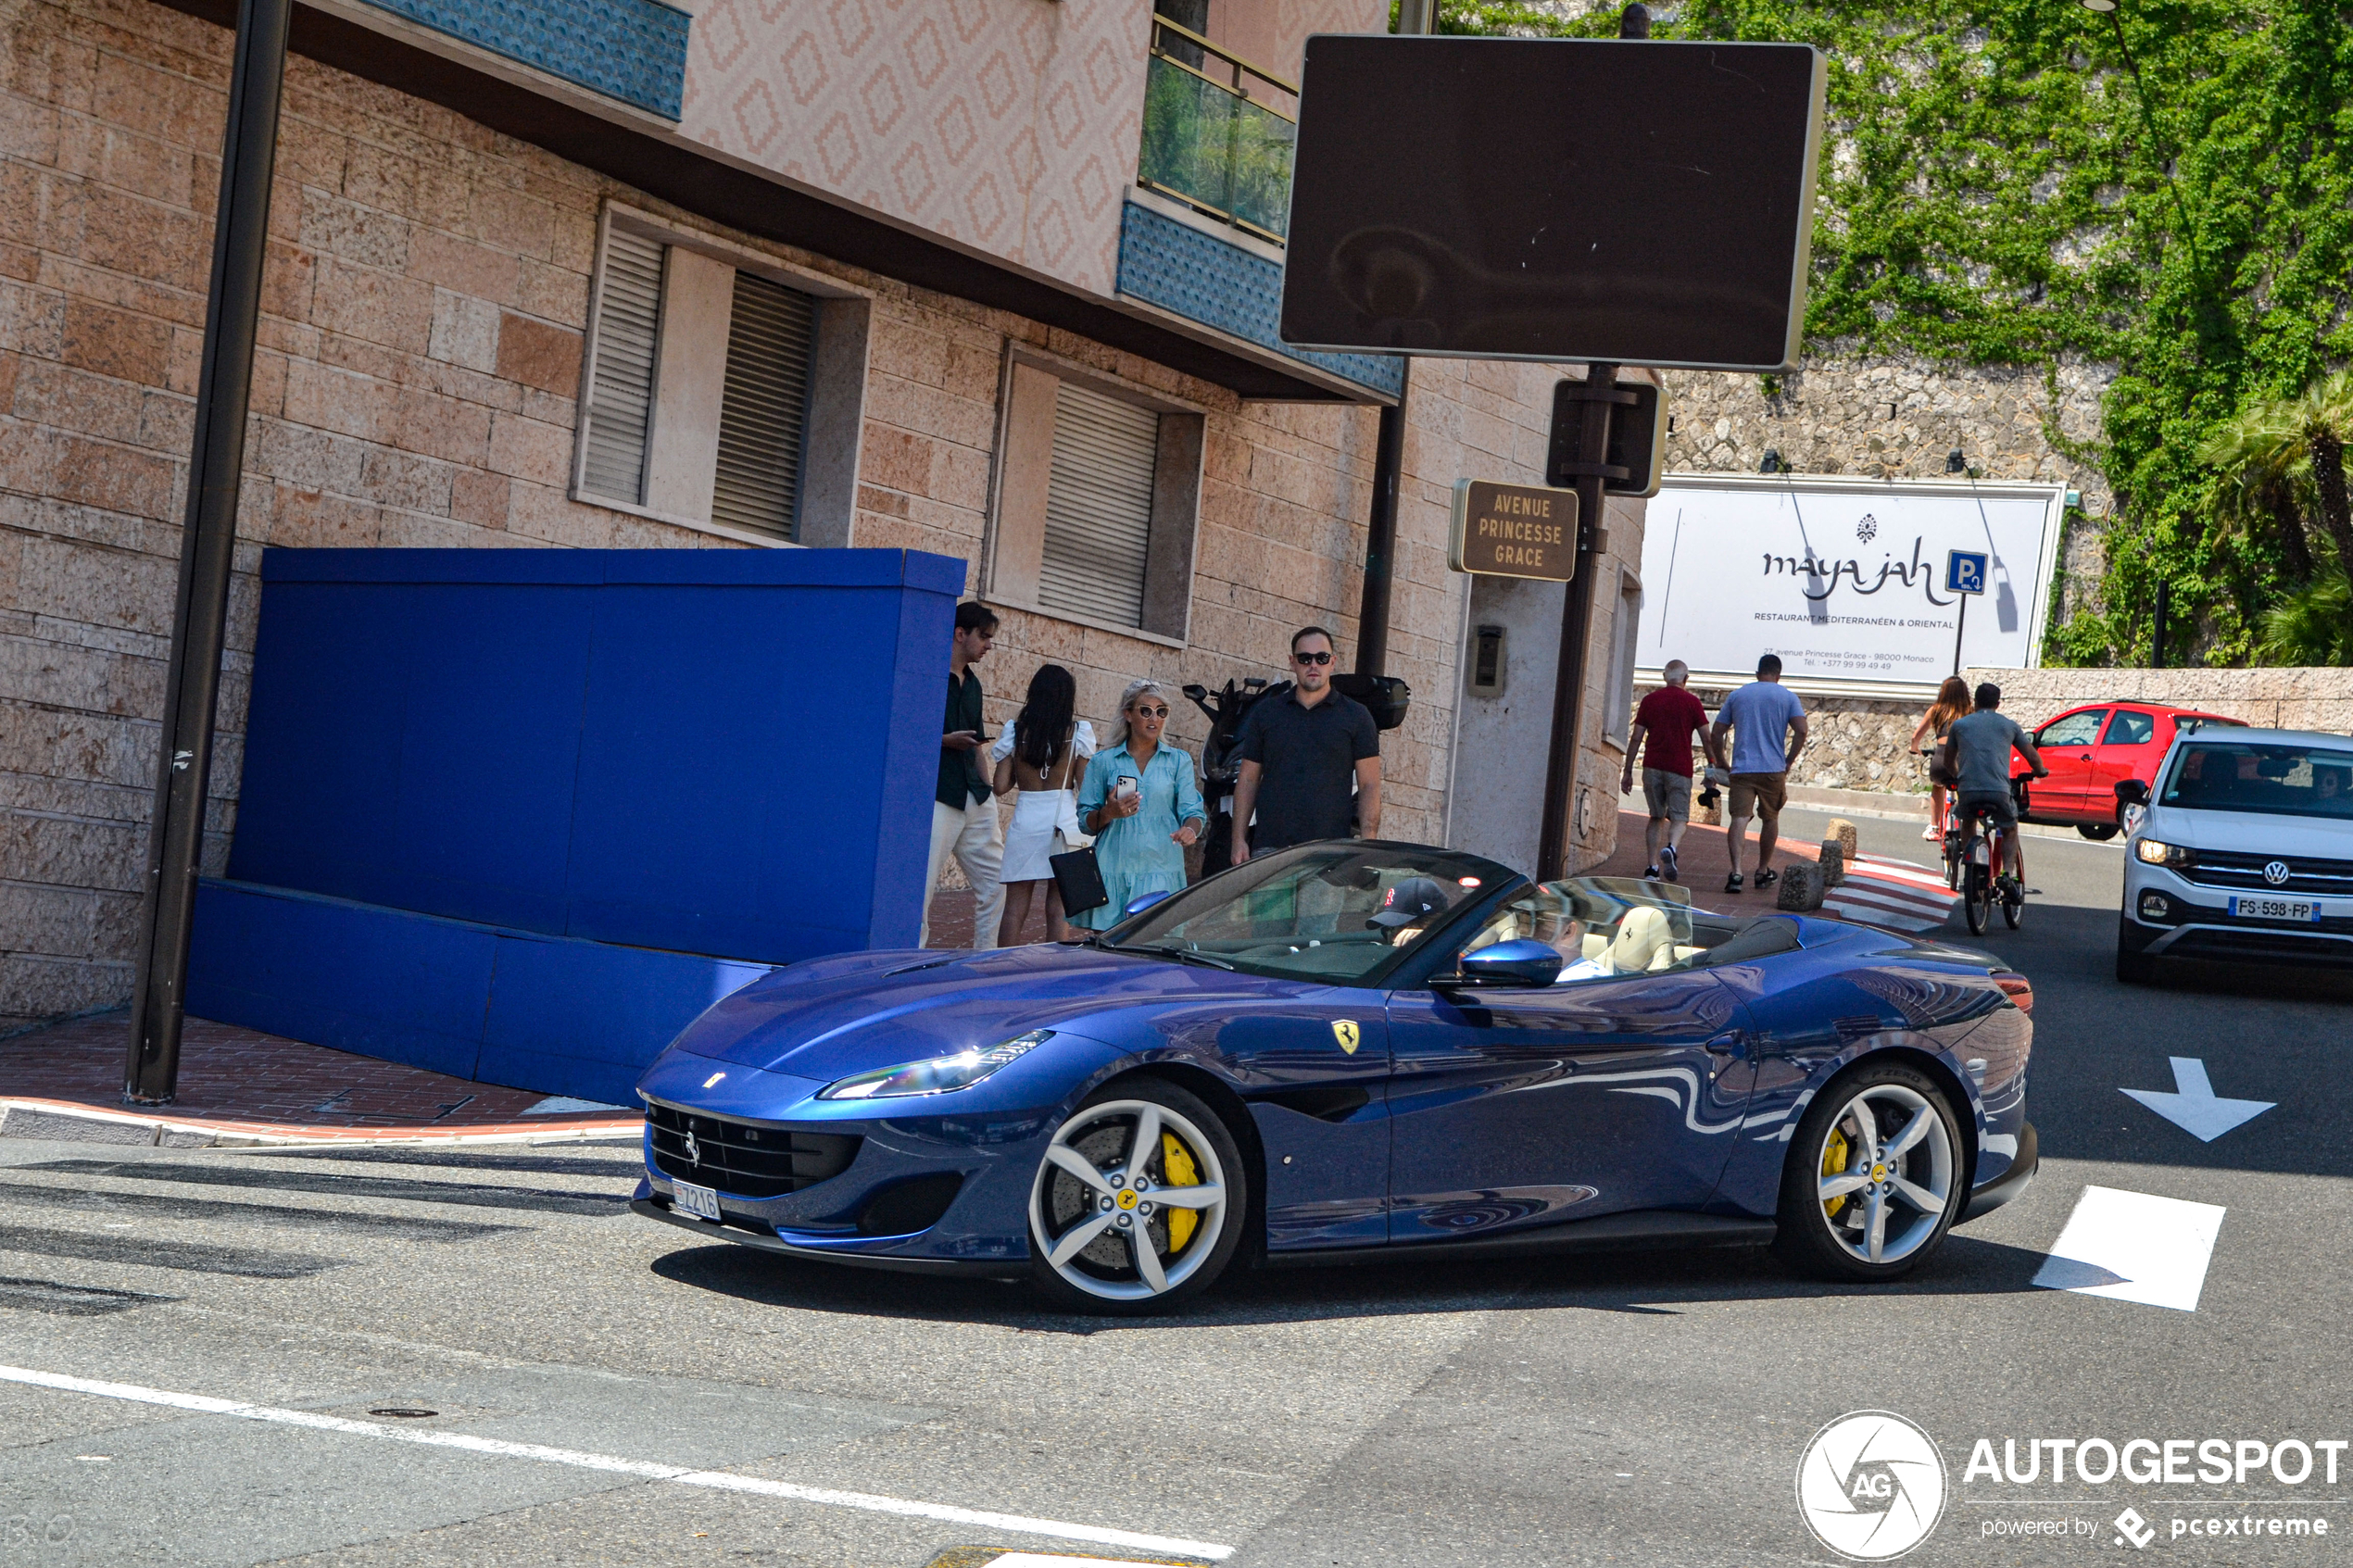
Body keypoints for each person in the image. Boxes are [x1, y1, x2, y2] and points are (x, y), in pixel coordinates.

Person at [1228, 626, 1382, 863]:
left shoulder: (1357, 717)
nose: (1313, 665)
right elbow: (1248, 779)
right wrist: (1238, 839)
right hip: (1270, 849)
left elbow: (1369, 784)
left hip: (1329, 853)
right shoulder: (1267, 713)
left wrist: (1368, 843)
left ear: (1333, 662)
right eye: (1305, 658)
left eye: (1321, 658)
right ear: (1292, 662)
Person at [1073, 680, 1207, 932]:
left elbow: (1193, 811)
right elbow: (1085, 821)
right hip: (1114, 867)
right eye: (1145, 710)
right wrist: (1109, 813)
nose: (1154, 718)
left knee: (1156, 945)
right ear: (1128, 714)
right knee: (1107, 947)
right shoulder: (1104, 761)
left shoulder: (1178, 761)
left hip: (1161, 866)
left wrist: (1190, 830)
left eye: (1161, 711)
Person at [990, 664, 1096, 945]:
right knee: (1058, 903)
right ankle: (1053, 966)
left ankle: (1004, 964)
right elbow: (1085, 787)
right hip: (1063, 820)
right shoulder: (1078, 732)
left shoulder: (1015, 732)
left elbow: (1000, 787)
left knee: (1015, 904)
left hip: (1026, 819)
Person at [921, 600, 1004, 948]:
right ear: (959, 633)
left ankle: (985, 962)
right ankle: (908, 962)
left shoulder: (974, 684)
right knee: (920, 891)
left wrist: (987, 789)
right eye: (984, 637)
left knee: (1000, 883)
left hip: (975, 794)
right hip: (938, 795)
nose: (988, 645)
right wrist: (943, 741)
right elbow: (901, 733)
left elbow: (976, 743)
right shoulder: (924, 677)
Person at [1708, 654, 1809, 894]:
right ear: (1778, 675)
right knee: (1770, 818)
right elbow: (1802, 731)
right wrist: (1788, 760)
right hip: (1773, 769)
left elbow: (1716, 732)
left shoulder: (1738, 695)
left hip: (1742, 768)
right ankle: (1763, 870)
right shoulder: (1787, 697)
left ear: (1757, 673)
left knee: (1739, 819)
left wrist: (1722, 761)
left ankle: (1736, 873)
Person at [1944, 683, 2049, 898]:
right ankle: (2007, 875)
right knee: (2010, 828)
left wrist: (1958, 776)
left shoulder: (1959, 725)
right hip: (1998, 792)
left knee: (1968, 820)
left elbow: (1948, 761)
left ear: (1975, 702)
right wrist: (2040, 770)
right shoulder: (2009, 726)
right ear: (1998, 704)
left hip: (1969, 790)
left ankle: (1970, 864)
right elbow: (2032, 756)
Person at [1620, 659, 1711, 884]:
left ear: (1664, 677)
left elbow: (1636, 738)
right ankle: (1671, 847)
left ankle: (1652, 868)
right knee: (1679, 818)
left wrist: (1628, 770)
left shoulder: (1650, 701)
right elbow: (1706, 737)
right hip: (1680, 768)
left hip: (1652, 766)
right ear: (1686, 679)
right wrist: (1712, 763)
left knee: (1656, 816)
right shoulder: (1692, 703)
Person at [1908, 675, 1972, 843]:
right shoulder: (1970, 711)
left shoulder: (1936, 710)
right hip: (1963, 759)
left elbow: (1916, 737)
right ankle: (1967, 826)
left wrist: (1915, 749)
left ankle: (1934, 826)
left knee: (1938, 785)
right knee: (1964, 788)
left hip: (1942, 758)